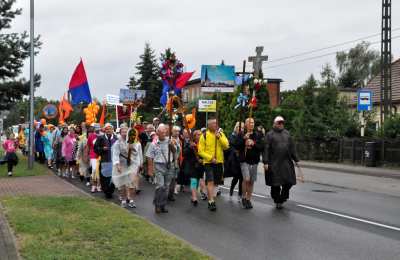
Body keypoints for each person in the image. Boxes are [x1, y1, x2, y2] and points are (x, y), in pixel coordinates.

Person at [263, 116, 299, 209]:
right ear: (274, 123)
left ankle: (283, 197)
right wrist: (265, 162)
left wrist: (296, 159)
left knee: (289, 181)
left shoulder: (287, 134)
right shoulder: (269, 135)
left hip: (286, 162)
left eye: (282, 123)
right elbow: (266, 149)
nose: (281, 124)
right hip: (274, 162)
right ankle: (277, 200)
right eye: (279, 123)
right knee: (276, 183)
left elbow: (292, 147)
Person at [146, 124, 180, 214]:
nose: (164, 134)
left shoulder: (170, 141)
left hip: (169, 166)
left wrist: (172, 145)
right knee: (160, 186)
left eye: (165, 132)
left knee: (166, 187)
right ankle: (157, 205)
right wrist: (150, 169)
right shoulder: (154, 144)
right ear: (157, 133)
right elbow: (149, 157)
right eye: (162, 132)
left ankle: (163, 205)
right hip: (158, 166)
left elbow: (175, 152)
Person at [232, 118, 264, 209]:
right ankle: (243, 197)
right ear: (246, 124)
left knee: (251, 181)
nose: (252, 124)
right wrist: (243, 139)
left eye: (253, 122)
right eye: (249, 123)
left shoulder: (258, 134)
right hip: (245, 160)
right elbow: (236, 145)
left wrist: (253, 143)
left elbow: (262, 146)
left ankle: (248, 199)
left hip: (254, 161)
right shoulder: (241, 134)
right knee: (246, 179)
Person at [198, 118, 229, 211]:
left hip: (219, 162)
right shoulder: (204, 136)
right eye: (213, 123)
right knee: (210, 181)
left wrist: (219, 137)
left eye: (216, 123)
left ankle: (212, 197)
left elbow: (226, 146)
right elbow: (200, 151)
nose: (215, 125)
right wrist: (210, 158)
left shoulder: (220, 134)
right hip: (209, 163)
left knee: (216, 182)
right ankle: (211, 200)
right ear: (209, 125)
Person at [112, 124, 143, 208]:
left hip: (132, 164)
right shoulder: (117, 142)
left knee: (132, 183)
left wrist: (131, 147)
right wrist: (117, 165)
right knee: (123, 183)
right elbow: (115, 154)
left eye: (126, 131)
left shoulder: (135, 142)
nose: (125, 133)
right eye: (123, 131)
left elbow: (137, 154)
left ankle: (131, 200)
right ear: (120, 132)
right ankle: (123, 199)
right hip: (122, 164)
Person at [94, 123, 118, 198]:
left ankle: (110, 191)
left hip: (113, 161)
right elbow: (95, 149)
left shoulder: (116, 138)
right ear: (104, 130)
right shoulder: (100, 138)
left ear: (112, 130)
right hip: (104, 160)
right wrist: (102, 149)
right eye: (107, 129)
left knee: (113, 177)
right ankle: (106, 190)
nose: (108, 130)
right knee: (104, 178)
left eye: (110, 129)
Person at [183, 130, 204, 206]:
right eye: (198, 135)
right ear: (194, 136)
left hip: (201, 165)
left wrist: (203, 159)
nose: (199, 136)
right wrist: (190, 147)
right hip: (192, 165)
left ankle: (193, 196)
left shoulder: (203, 143)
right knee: (194, 180)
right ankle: (195, 197)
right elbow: (184, 153)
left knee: (197, 180)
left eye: (200, 134)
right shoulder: (190, 143)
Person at [224, 122, 244, 203]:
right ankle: (231, 189)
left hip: (241, 159)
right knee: (236, 177)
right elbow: (232, 144)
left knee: (241, 178)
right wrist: (235, 151)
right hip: (234, 159)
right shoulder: (232, 135)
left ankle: (240, 194)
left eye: (242, 128)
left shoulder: (243, 136)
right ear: (236, 127)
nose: (241, 129)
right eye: (239, 127)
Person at [87, 124, 100, 191]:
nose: (97, 129)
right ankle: (94, 185)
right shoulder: (91, 136)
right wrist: (88, 155)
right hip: (93, 155)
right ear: (94, 129)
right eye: (96, 128)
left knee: (99, 171)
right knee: (94, 170)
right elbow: (88, 146)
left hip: (100, 156)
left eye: (98, 128)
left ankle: (98, 185)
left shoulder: (102, 135)